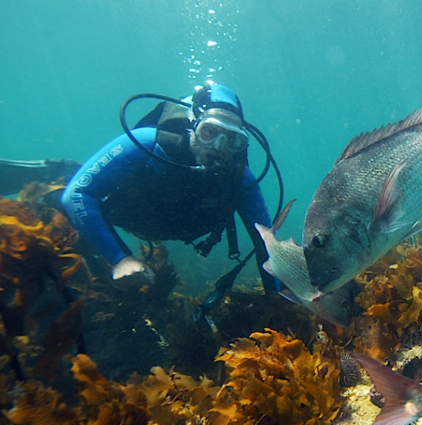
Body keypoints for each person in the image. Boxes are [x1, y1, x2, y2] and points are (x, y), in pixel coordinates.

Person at [61, 83, 277, 292]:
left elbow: (267, 245)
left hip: (165, 226)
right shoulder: (147, 144)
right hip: (122, 215)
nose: (219, 147)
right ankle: (57, 170)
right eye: (209, 132)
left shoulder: (240, 178)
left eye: (232, 139)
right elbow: (76, 194)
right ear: (193, 125)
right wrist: (120, 259)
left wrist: (282, 305)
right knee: (59, 196)